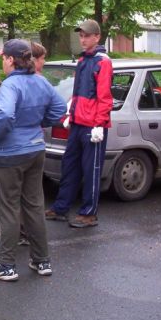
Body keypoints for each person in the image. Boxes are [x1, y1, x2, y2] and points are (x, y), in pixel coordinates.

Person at [0, 39, 66, 282]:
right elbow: (59, 110)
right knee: (34, 206)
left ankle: (6, 265)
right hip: (36, 149)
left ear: (10, 60)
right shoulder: (40, 80)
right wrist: (35, 124)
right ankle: (41, 260)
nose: (1, 61)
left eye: (3, 58)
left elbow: (4, 115)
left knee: (7, 210)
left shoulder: (10, 85)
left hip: (10, 153)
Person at [45, 20, 113, 228]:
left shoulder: (103, 61)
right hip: (78, 123)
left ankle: (89, 213)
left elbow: (104, 97)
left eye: (86, 36)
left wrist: (99, 124)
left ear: (97, 37)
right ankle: (61, 207)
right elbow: (77, 94)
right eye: (81, 36)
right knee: (70, 166)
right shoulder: (83, 60)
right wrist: (70, 115)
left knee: (91, 170)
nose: (82, 39)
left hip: (93, 126)